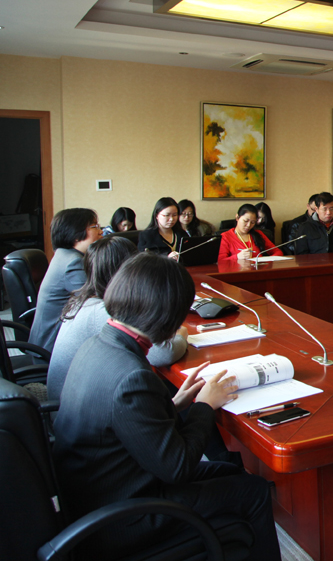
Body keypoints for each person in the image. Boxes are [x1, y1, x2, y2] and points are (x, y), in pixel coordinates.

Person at [51, 253, 279, 561]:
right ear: (169, 315)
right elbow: (177, 467)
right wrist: (203, 406)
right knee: (253, 490)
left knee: (228, 471)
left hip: (100, 492)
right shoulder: (131, 377)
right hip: (122, 517)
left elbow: (125, 422)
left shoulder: (98, 344)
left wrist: (175, 403)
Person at [48, 236, 188, 402]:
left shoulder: (84, 299)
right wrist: (182, 335)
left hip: (79, 397)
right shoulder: (103, 311)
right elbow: (163, 354)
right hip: (78, 404)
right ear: (124, 271)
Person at [28, 208, 103, 355]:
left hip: (52, 337)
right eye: (95, 226)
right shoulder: (73, 262)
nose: (101, 231)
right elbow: (94, 302)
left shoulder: (64, 255)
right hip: (52, 346)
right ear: (76, 234)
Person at [218, 204, 284, 262]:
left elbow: (278, 252)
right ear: (237, 217)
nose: (249, 225)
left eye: (253, 222)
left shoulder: (259, 234)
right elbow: (220, 261)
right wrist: (237, 257)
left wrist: (267, 260)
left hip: (259, 270)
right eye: (245, 221)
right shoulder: (225, 237)